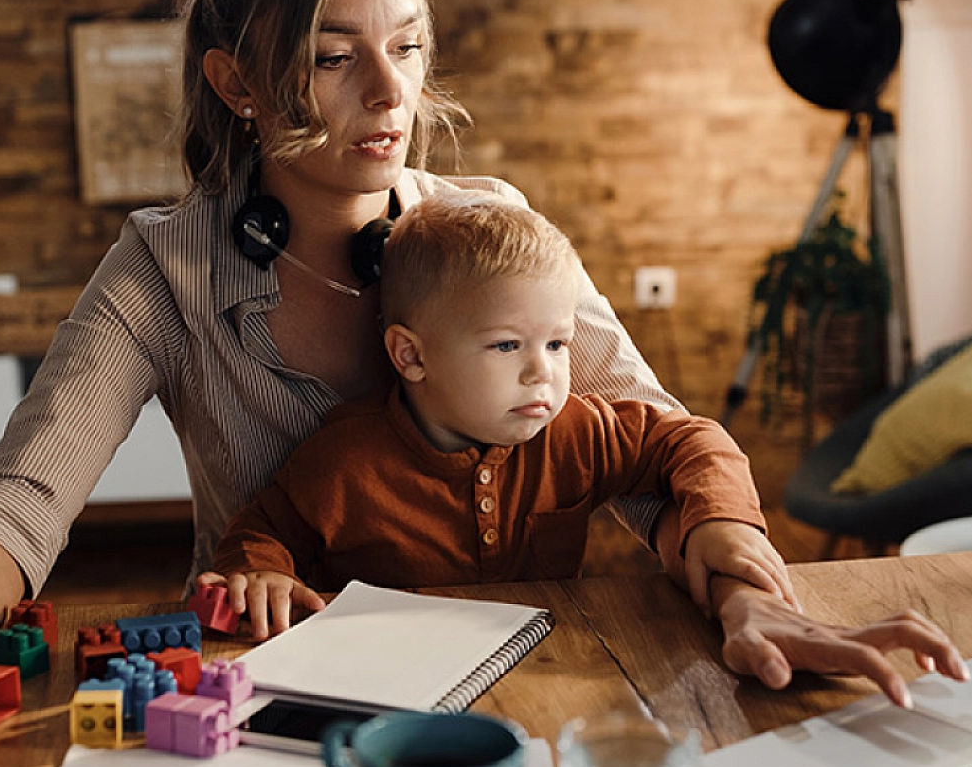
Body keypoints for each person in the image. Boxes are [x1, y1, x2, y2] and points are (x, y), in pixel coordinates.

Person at [0, 0, 966, 767]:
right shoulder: (161, 267)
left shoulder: (488, 227)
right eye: (334, 57)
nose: (392, 95)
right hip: (271, 708)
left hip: (525, 691)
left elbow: (656, 441)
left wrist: (752, 588)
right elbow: (19, 501)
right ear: (236, 82)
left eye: (405, 47)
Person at [201, 193, 791, 638]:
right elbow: (260, 536)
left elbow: (690, 439)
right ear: (411, 354)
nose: (544, 373)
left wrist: (721, 521)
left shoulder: (574, 433)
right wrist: (258, 573)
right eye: (508, 345)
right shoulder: (341, 464)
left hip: (555, 666)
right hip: (395, 687)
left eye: (557, 344)